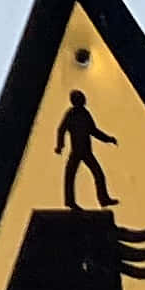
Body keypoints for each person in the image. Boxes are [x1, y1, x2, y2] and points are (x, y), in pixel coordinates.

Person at [59, 85, 120, 213]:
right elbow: (62, 129)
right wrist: (60, 145)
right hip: (77, 151)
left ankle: (103, 199)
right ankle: (70, 202)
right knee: (70, 175)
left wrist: (108, 139)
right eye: (81, 98)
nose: (83, 100)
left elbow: (93, 130)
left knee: (98, 174)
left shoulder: (85, 114)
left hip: (87, 151)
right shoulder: (71, 114)